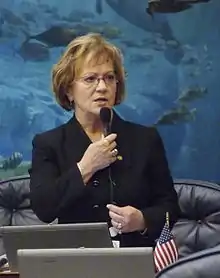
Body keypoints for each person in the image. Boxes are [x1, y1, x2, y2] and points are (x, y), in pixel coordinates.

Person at [29, 32, 180, 247]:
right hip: (77, 263)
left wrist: (142, 220)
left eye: (109, 78)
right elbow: (44, 208)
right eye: (90, 79)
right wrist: (85, 168)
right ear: (69, 90)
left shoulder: (145, 139)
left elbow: (170, 207)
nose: (102, 87)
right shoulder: (49, 144)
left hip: (134, 261)